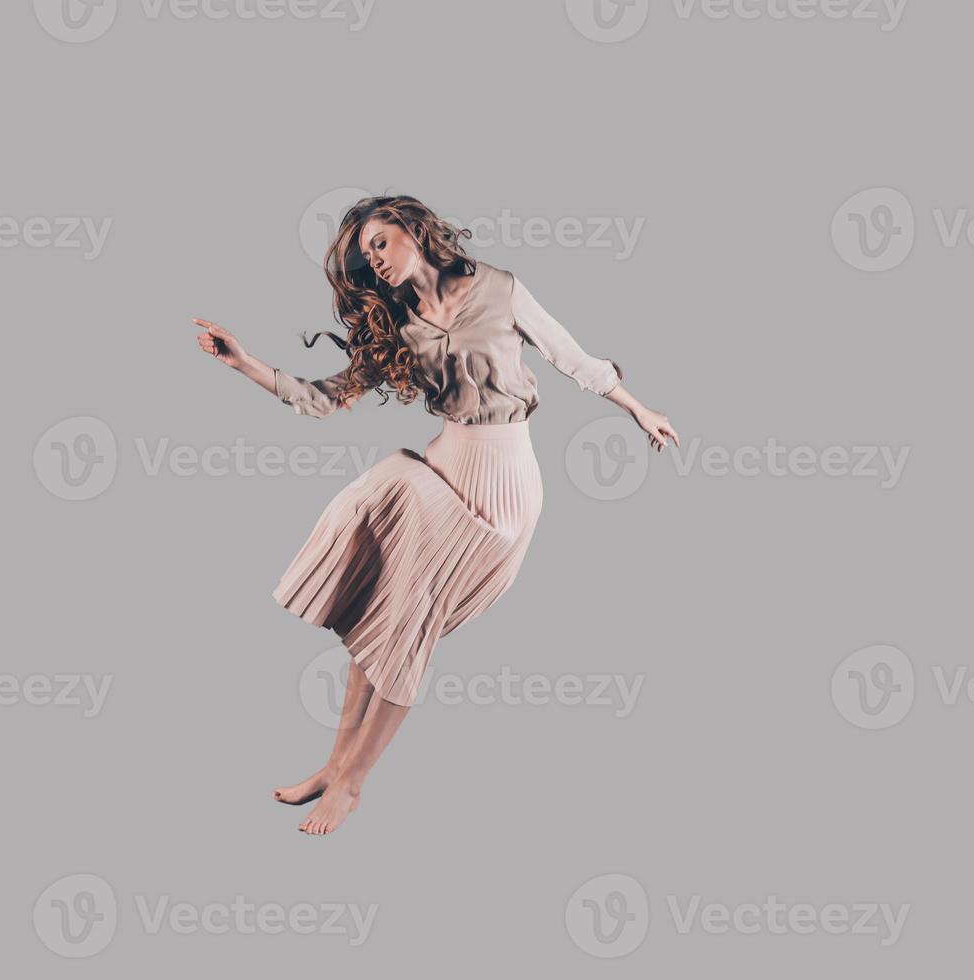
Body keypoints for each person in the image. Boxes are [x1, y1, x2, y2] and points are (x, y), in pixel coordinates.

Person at [193, 195, 678, 835]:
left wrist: (638, 408)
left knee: (411, 625)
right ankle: (335, 766)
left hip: (503, 488)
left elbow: (571, 357)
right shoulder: (397, 323)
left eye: (380, 245)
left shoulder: (498, 289)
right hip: (440, 469)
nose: (376, 262)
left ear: (413, 231)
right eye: (367, 257)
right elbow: (325, 398)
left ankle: (354, 783)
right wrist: (245, 363)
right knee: (384, 613)